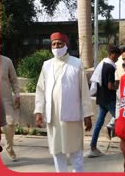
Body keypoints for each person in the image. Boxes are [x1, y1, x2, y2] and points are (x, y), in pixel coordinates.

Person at [34, 32, 93, 172]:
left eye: (59, 44)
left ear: (66, 45)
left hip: (71, 115)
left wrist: (87, 114)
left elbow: (84, 91)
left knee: (75, 151)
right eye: (53, 44)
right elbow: (40, 89)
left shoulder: (76, 63)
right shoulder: (47, 65)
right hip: (53, 117)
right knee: (57, 151)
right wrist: (38, 111)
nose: (56, 47)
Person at [87, 46, 121, 158]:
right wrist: (118, 85)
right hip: (109, 99)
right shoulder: (110, 68)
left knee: (98, 123)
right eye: (118, 56)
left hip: (102, 99)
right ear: (113, 54)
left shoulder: (102, 65)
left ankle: (92, 147)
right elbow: (110, 86)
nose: (118, 59)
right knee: (122, 120)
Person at [0, 55, 21, 161]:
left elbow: (14, 80)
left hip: (5, 100)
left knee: (10, 125)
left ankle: (9, 147)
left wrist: (17, 94)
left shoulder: (7, 61)